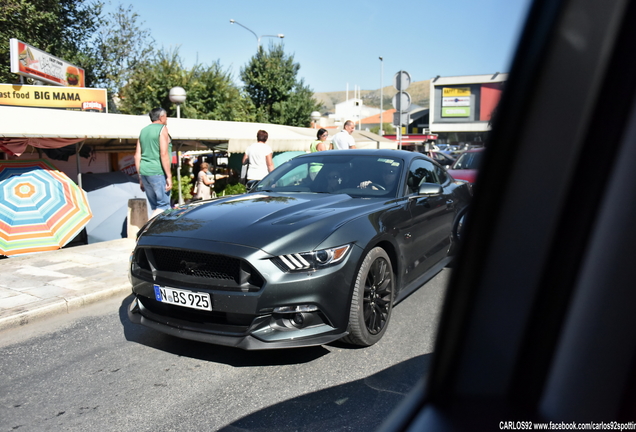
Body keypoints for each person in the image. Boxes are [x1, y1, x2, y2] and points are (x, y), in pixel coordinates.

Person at [135, 107, 172, 217]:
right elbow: (163, 153)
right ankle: (146, 229)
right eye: (166, 116)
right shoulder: (162, 129)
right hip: (158, 171)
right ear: (161, 117)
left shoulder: (143, 130)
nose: (167, 119)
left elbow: (137, 155)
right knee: (164, 206)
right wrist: (169, 176)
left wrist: (140, 177)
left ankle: (158, 232)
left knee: (155, 207)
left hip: (144, 172)